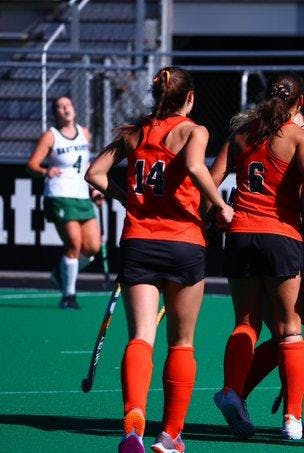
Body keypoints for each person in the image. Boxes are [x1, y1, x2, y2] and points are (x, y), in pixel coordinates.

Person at [208, 72, 304, 441]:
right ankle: (293, 418)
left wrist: (219, 211)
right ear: (299, 103)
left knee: (246, 322)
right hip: (282, 236)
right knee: (290, 330)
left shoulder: (242, 135)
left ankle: (232, 390)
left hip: (242, 235)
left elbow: (209, 181)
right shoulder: (299, 138)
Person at [85, 66, 233, 453]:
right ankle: (170, 434)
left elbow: (95, 173)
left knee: (141, 337)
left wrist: (125, 198)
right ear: (189, 98)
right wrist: (221, 207)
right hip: (184, 242)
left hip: (139, 241)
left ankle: (133, 423)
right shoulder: (193, 130)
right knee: (182, 343)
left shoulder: (134, 132)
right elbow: (198, 167)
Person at [26, 96, 102, 309]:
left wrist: (95, 190)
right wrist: (45, 170)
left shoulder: (84, 133)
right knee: (74, 244)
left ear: (74, 109)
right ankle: (68, 295)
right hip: (59, 194)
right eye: (60, 107)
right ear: (55, 113)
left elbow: (86, 164)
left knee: (93, 247)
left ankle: (61, 272)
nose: (65, 109)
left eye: (68, 105)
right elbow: (31, 165)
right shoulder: (51, 136)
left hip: (81, 195)